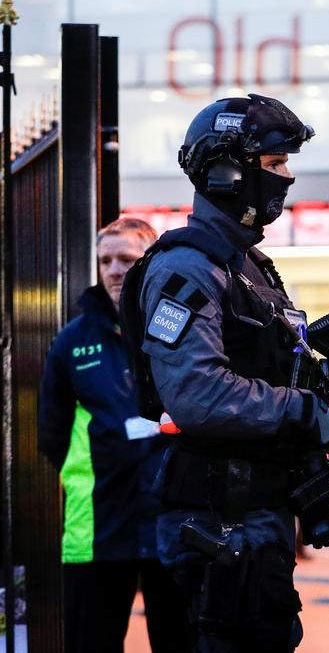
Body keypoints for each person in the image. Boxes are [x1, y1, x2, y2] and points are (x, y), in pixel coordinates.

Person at [123, 94, 329, 651]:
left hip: (253, 514)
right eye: (273, 165)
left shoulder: (246, 265)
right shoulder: (187, 267)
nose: (287, 177)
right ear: (226, 171)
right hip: (219, 521)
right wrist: (302, 411)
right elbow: (195, 392)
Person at [37, 217, 191, 653]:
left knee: (180, 641)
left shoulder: (180, 328)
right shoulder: (72, 342)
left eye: (126, 259)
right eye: (105, 260)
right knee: (92, 642)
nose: (114, 270)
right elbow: (52, 432)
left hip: (175, 518)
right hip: (101, 525)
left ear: (151, 262)